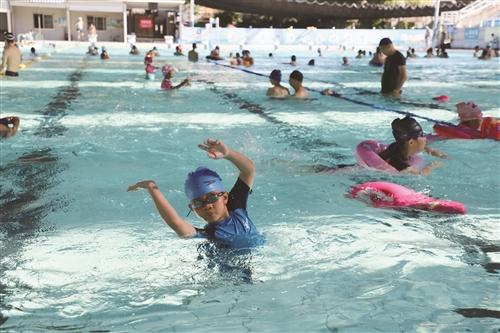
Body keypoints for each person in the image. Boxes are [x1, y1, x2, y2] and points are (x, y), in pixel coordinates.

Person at [127, 138, 264, 249]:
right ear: (192, 208)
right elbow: (176, 223)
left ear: (225, 197)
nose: (207, 206)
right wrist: (152, 187)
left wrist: (228, 154)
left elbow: (248, 170)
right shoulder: (210, 235)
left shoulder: (237, 208)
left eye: (212, 197)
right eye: (198, 203)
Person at [378, 116, 446, 176]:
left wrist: (430, 150)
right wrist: (432, 166)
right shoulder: (398, 162)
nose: (425, 138)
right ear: (411, 142)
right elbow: (420, 174)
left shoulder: (399, 146)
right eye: (421, 135)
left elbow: (420, 146)